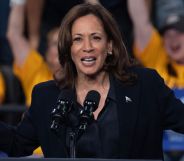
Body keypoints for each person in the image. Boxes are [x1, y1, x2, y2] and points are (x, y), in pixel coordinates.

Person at [0, 3, 184, 159]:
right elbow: (17, 144)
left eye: (95, 38)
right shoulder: (47, 97)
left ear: (110, 45)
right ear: (69, 48)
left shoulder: (145, 85)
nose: (87, 47)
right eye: (78, 39)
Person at [128, 0, 184, 160]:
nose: (173, 39)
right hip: (159, 149)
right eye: (167, 34)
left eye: (179, 32)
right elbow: (140, 19)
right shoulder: (157, 57)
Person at [7, 0, 61, 106]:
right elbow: (14, 35)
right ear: (47, 52)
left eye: (65, 43)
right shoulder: (36, 69)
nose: (61, 48)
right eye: (55, 44)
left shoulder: (81, 76)